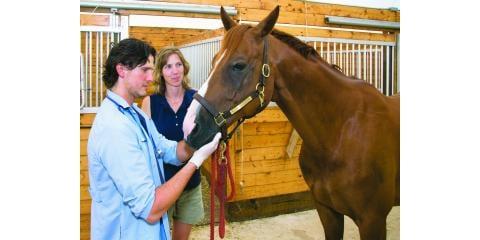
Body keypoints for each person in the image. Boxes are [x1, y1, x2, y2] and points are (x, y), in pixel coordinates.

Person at [87, 38, 220, 240]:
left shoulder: (135, 114)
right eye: (145, 70)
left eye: (151, 70)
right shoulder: (114, 127)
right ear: (122, 70)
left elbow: (171, 151)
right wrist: (197, 160)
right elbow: (150, 208)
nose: (151, 78)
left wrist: (199, 139)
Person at [141, 47, 201, 240]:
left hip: (190, 183)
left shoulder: (197, 99)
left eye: (178, 65)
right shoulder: (150, 102)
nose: (174, 71)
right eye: (168, 66)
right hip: (161, 186)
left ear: (184, 67)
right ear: (160, 71)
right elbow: (147, 147)